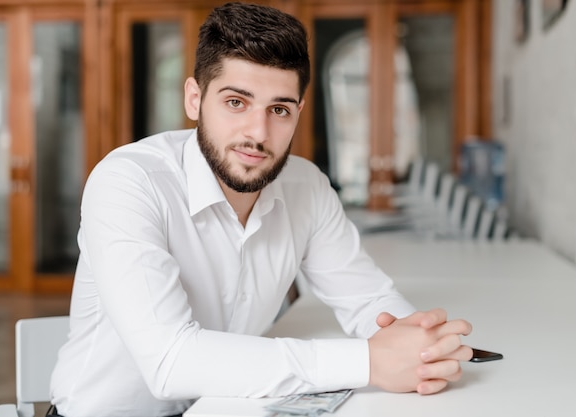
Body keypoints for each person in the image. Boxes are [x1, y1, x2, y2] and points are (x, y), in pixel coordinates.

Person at [49, 3, 472, 417]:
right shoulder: (129, 182)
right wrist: (368, 361)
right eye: (236, 102)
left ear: (298, 113)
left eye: (279, 110)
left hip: (228, 405)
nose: (258, 132)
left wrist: (420, 347)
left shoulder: (306, 186)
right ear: (195, 99)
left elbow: (367, 299)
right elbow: (171, 361)